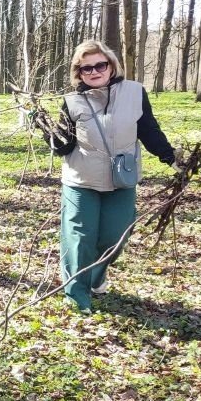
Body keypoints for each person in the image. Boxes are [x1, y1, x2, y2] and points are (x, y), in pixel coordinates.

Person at [47, 39, 182, 313]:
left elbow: (148, 130)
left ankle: (96, 276)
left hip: (121, 179)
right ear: (78, 73)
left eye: (100, 65)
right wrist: (50, 134)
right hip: (81, 180)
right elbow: (64, 145)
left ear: (111, 66)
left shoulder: (134, 92)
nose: (94, 72)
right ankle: (77, 294)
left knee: (115, 236)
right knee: (80, 237)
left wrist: (171, 157)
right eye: (86, 68)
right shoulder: (72, 101)